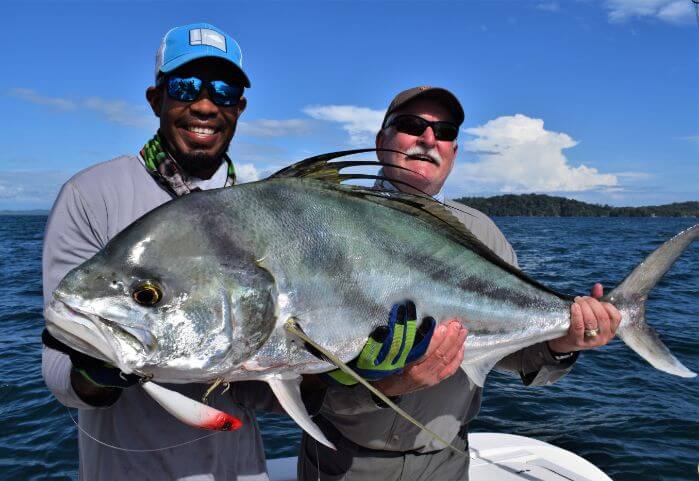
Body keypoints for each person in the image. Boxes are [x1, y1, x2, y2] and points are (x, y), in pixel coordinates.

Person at [297, 86, 622, 481]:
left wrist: (563, 344)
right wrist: (386, 382)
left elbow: (510, 352)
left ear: (454, 151)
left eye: (445, 131)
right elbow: (298, 370)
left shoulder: (483, 233)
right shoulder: (325, 222)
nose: (429, 139)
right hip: (341, 461)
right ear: (381, 141)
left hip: (447, 461)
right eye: (411, 125)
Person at [41, 23, 278, 481]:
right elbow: (57, 365)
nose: (205, 105)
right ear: (156, 99)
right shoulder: (92, 196)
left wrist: (333, 372)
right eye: (186, 87)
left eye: (224, 91)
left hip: (242, 470)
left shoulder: (261, 212)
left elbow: (265, 391)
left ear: (240, 108)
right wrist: (93, 374)